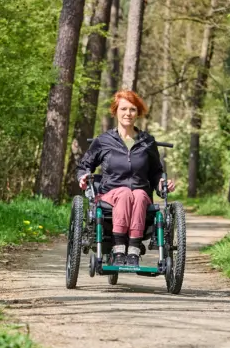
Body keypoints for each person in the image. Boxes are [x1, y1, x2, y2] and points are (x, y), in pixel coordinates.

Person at [76, 90, 177, 267]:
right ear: (115, 111)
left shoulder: (147, 142)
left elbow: (156, 172)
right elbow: (84, 165)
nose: (127, 113)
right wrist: (82, 177)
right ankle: (119, 247)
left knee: (136, 194)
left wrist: (162, 184)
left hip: (141, 194)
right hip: (110, 194)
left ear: (138, 113)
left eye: (132, 109)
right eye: (123, 109)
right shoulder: (103, 140)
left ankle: (134, 250)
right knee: (124, 192)